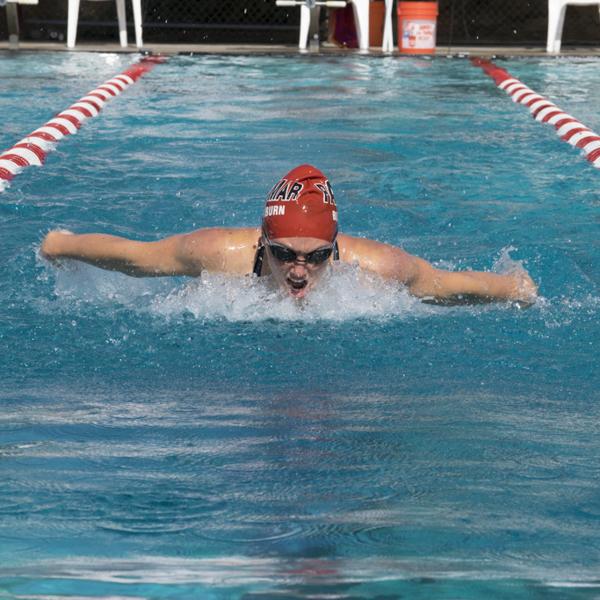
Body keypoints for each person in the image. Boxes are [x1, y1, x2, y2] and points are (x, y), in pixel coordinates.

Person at [40, 164, 537, 304]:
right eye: (282, 254)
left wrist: (516, 288)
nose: (299, 272)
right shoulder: (220, 253)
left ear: (336, 248)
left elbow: (447, 285)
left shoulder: (379, 269)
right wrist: (61, 245)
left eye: (317, 257)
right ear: (262, 241)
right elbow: (137, 258)